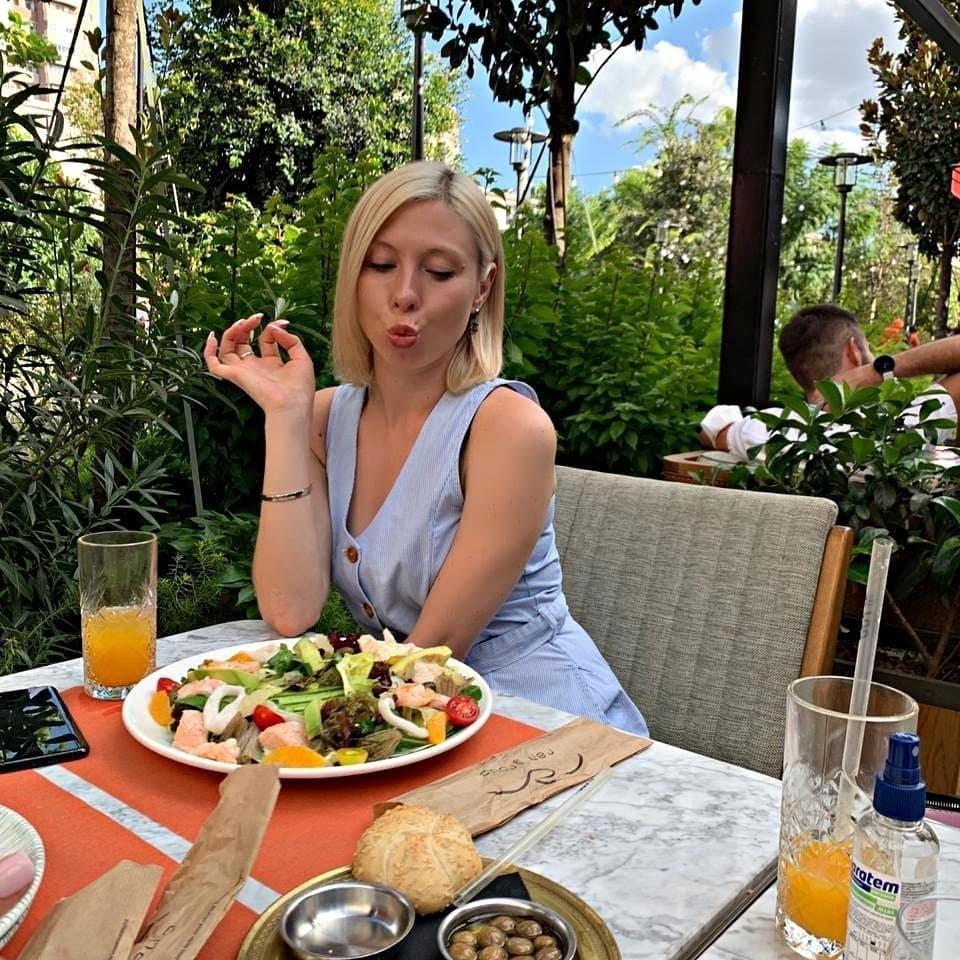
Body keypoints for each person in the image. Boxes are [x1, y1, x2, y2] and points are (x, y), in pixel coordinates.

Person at [204, 161, 648, 736]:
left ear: (482, 289)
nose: (405, 294)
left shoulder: (509, 428)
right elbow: (290, 610)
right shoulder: (323, 418)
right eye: (381, 265)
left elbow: (436, 652)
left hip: (543, 722)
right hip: (413, 712)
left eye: (439, 272)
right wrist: (286, 418)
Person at [700, 303, 960, 459]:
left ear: (797, 378)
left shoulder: (769, 433)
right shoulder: (907, 428)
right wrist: (877, 371)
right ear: (854, 351)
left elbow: (712, 430)